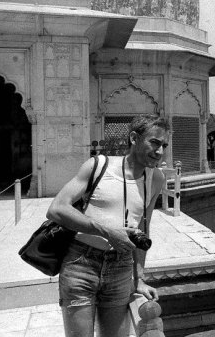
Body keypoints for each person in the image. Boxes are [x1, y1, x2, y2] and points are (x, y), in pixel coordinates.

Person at [46, 115, 169, 337]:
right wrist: (105, 231)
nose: (160, 151)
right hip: (81, 263)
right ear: (134, 138)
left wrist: (138, 278)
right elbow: (57, 209)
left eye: (164, 145)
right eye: (155, 143)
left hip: (121, 267)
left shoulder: (155, 178)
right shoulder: (98, 165)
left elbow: (144, 227)